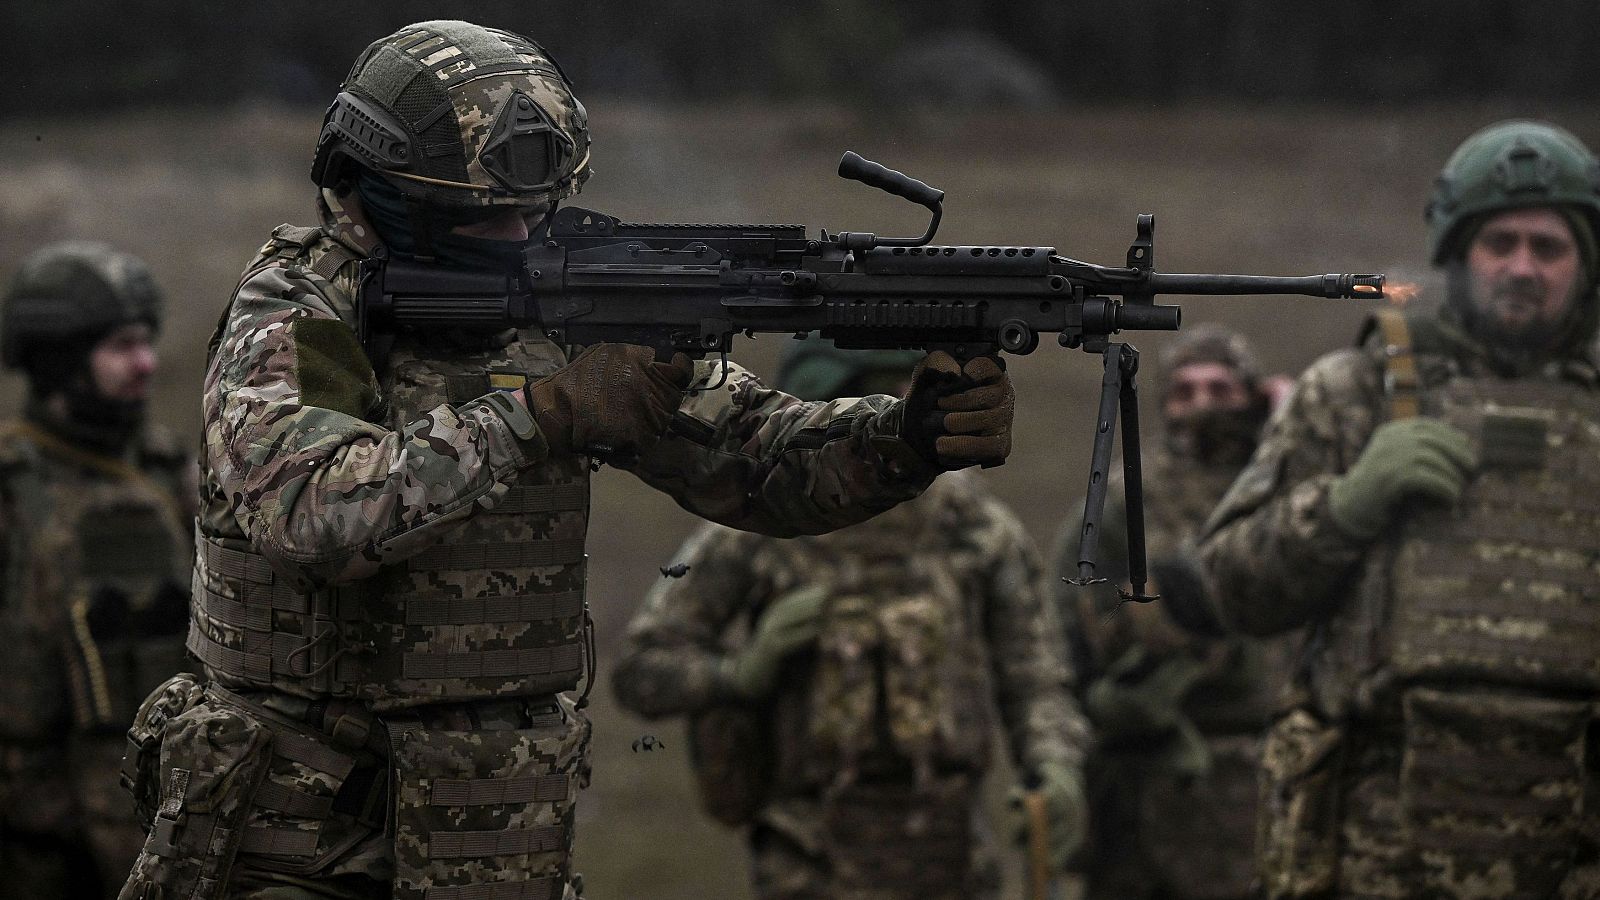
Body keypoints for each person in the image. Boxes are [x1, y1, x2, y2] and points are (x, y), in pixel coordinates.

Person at [116, 20, 1016, 900]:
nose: (520, 237)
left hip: (491, 841)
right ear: (387, 195)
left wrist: (905, 438)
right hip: (298, 847)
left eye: (534, 210)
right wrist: (540, 415)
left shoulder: (558, 300)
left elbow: (753, 456)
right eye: (485, 215)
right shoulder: (300, 310)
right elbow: (313, 513)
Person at [1189, 120, 1600, 897]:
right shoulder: (1354, 394)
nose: (1522, 267)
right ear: (1458, 252)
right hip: (1372, 856)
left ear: (1586, 263)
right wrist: (1344, 508)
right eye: (1500, 243)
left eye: (1548, 248)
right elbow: (1228, 588)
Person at [612, 338, 1089, 900]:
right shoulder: (753, 531)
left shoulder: (974, 526)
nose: (887, 410)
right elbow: (640, 668)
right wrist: (739, 672)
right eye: (868, 395)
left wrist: (1054, 766)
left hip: (952, 860)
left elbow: (1035, 676)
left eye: (903, 392)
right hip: (808, 862)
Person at [1049, 324, 1296, 900]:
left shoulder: (1286, 488)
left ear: (1253, 397)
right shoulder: (1122, 499)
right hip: (1153, 770)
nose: (1202, 404)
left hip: (1271, 763)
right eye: (1185, 391)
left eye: (1221, 388)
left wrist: (1291, 426)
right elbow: (1072, 628)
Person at [0, 242, 193, 898]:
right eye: (121, 346)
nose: (147, 363)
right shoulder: (11, 488)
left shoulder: (168, 473)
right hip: (33, 846)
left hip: (156, 832)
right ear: (60, 360)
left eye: (147, 342)